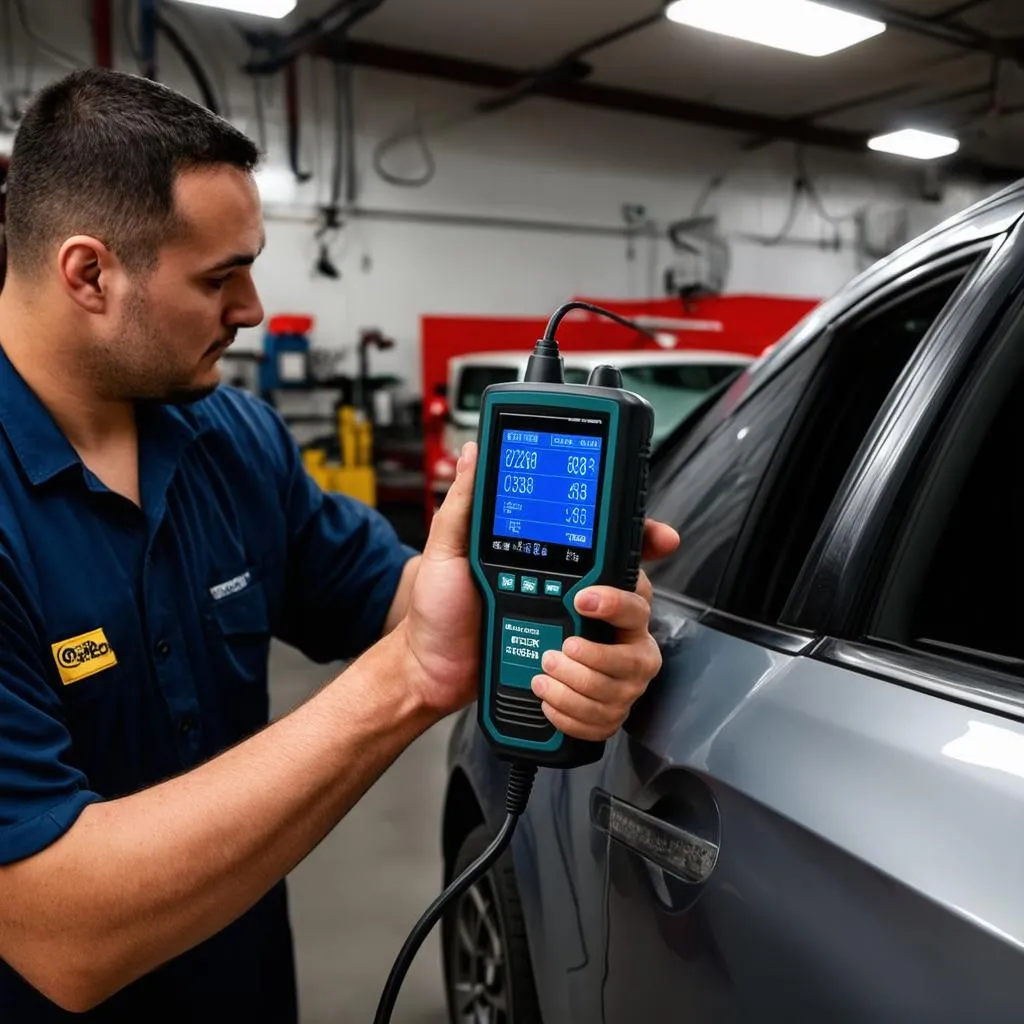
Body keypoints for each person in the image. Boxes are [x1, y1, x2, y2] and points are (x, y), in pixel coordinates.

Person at [0, 68, 679, 1020]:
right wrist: (409, 677)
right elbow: (57, 931)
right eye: (218, 276)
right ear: (89, 273)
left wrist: (577, 623)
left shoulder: (234, 442)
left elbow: (408, 598)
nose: (254, 310)